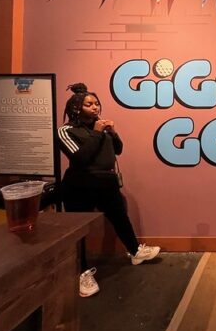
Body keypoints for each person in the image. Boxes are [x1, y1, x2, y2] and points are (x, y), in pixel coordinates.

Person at [57, 83, 160, 297]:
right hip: (80, 185)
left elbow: (118, 150)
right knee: (79, 230)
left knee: (120, 218)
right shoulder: (66, 131)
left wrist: (112, 132)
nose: (95, 107)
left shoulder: (101, 128)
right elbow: (80, 158)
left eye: (96, 103)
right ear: (76, 108)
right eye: (89, 104)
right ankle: (81, 273)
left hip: (106, 182)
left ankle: (135, 252)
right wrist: (97, 133)